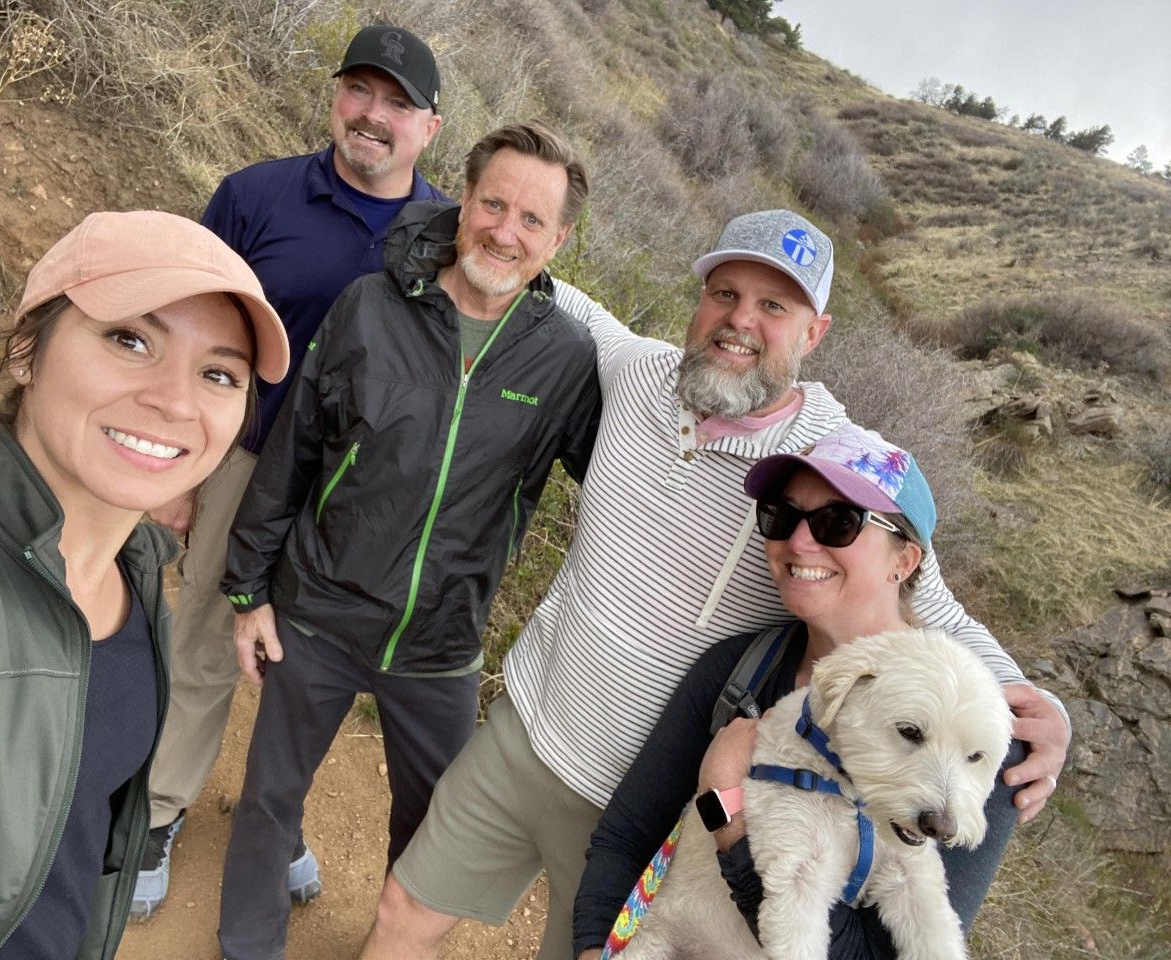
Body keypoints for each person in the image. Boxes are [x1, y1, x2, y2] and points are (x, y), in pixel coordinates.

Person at [359, 210, 1069, 960]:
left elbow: (919, 601)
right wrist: (455, 217)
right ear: (699, 299)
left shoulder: (827, 461)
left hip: (638, 796)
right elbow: (560, 292)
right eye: (725, 293)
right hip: (529, 728)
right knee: (404, 907)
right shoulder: (638, 374)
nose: (740, 321)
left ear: (813, 333)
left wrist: (1035, 703)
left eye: (774, 306)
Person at [216, 120, 602, 960]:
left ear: (559, 238)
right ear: (463, 201)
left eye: (532, 220)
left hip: (440, 647)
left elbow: (624, 484)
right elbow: (293, 454)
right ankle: (248, 947)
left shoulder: (566, 359)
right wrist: (248, 590)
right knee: (271, 800)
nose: (506, 230)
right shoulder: (368, 306)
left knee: (432, 836)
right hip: (318, 612)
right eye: (493, 203)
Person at [0, 210, 289, 960]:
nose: (176, 401)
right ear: (25, 353)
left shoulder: (138, 572)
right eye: (130, 340)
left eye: (218, 374)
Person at [131, 23, 448, 919]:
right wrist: (182, 470)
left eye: (397, 103)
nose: (372, 115)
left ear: (430, 126)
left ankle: (279, 818)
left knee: (311, 670)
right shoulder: (257, 196)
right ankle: (159, 810)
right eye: (360, 91)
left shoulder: (446, 235)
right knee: (199, 636)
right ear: (338, 96)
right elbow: (183, 331)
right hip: (246, 459)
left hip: (355, 499)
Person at [574, 424, 1028, 958]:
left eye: (839, 522)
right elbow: (625, 838)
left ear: (904, 561)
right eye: (783, 516)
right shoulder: (738, 670)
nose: (799, 542)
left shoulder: (982, 734)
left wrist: (725, 807)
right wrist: (591, 949)